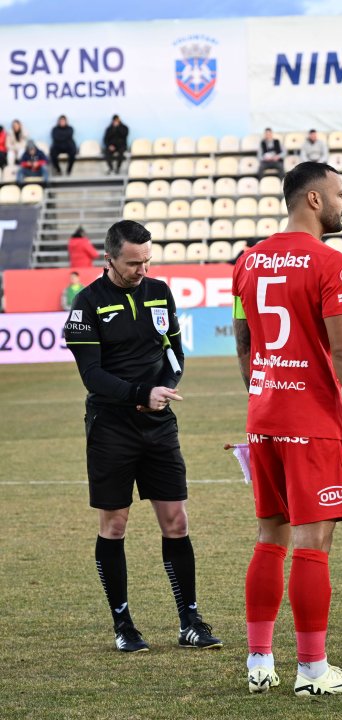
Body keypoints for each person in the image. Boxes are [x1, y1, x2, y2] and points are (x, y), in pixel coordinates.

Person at [232, 161, 342, 697]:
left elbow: (244, 341)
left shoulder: (247, 261)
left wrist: (261, 395)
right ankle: (314, 671)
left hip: (264, 417)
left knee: (270, 535)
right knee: (313, 543)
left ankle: (258, 662)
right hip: (311, 422)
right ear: (313, 200)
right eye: (341, 194)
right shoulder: (331, 262)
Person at [62, 220, 221, 654]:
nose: (142, 269)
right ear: (109, 259)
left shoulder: (160, 291)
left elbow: (175, 349)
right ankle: (124, 626)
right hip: (111, 427)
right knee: (114, 525)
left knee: (177, 521)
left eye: (147, 260)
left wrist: (166, 387)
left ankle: (190, 621)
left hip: (159, 423)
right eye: (133, 263)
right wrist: (139, 394)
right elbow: (92, 375)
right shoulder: (87, 304)